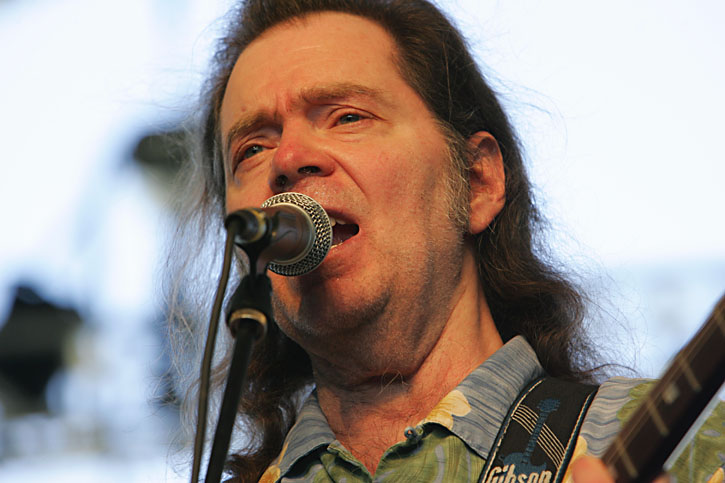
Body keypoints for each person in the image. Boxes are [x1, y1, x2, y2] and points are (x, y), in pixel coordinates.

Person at [174, 0, 724, 481]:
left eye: (347, 117)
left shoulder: (686, 445)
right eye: (252, 149)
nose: (289, 159)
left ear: (478, 183)